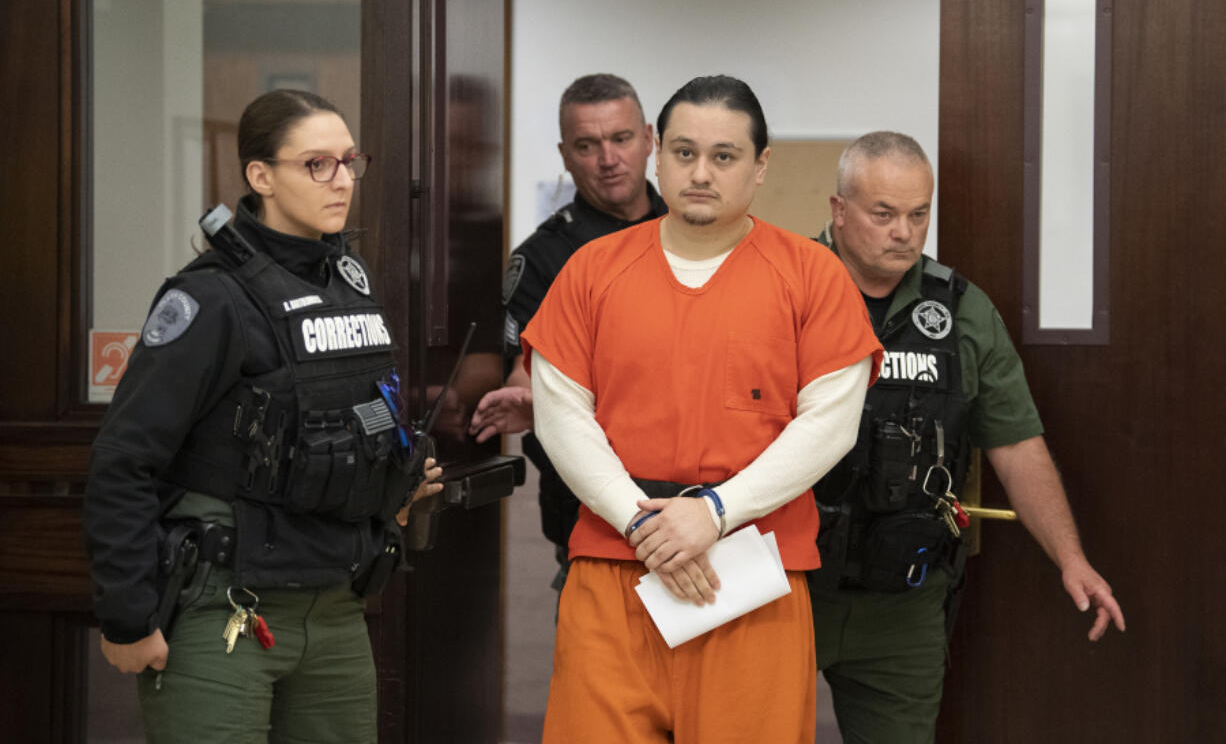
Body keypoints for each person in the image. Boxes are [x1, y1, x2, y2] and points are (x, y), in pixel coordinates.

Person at [522, 75, 883, 743]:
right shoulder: (591, 269)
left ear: (760, 166)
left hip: (749, 574)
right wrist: (641, 522)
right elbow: (560, 412)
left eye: (724, 156)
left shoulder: (811, 274)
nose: (701, 172)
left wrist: (714, 512)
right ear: (659, 155)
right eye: (685, 153)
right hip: (613, 567)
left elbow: (830, 423)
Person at [83, 89, 442, 744]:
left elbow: (352, 423)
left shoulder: (348, 281)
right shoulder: (211, 297)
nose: (341, 182)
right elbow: (123, 460)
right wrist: (128, 615)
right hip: (227, 605)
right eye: (316, 164)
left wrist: (394, 480)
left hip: (336, 606)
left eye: (348, 162)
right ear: (260, 176)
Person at [808, 131, 1126, 743]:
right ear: (839, 210)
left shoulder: (962, 312)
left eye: (918, 213)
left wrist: (1071, 557)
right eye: (883, 214)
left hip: (903, 601)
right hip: (787, 586)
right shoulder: (780, 289)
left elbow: (1017, 444)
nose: (904, 231)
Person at [468, 73, 668, 584]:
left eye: (621, 139)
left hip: (694, 503)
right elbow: (523, 369)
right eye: (587, 145)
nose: (608, 159)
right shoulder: (544, 257)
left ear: (648, 138)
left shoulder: (696, 233)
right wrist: (530, 400)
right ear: (565, 153)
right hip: (592, 516)